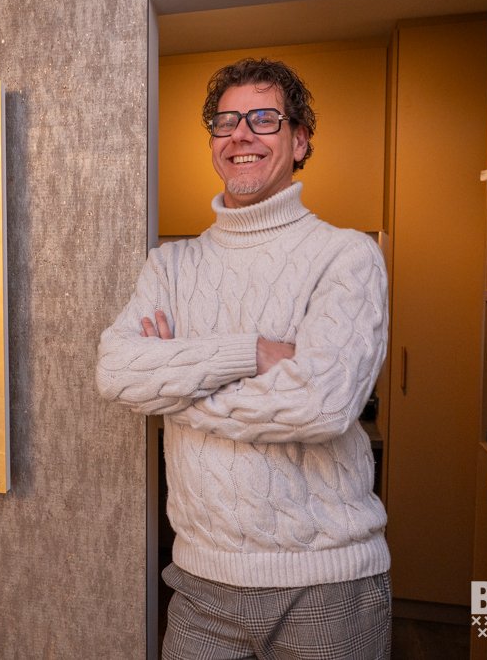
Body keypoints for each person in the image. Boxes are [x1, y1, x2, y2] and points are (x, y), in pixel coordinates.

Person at [96, 58, 392, 659]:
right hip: (199, 583)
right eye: (226, 121)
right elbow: (116, 373)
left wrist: (174, 385)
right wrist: (248, 353)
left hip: (325, 584)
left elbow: (322, 405)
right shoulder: (170, 265)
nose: (241, 135)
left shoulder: (346, 256)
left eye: (263, 119)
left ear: (299, 140)